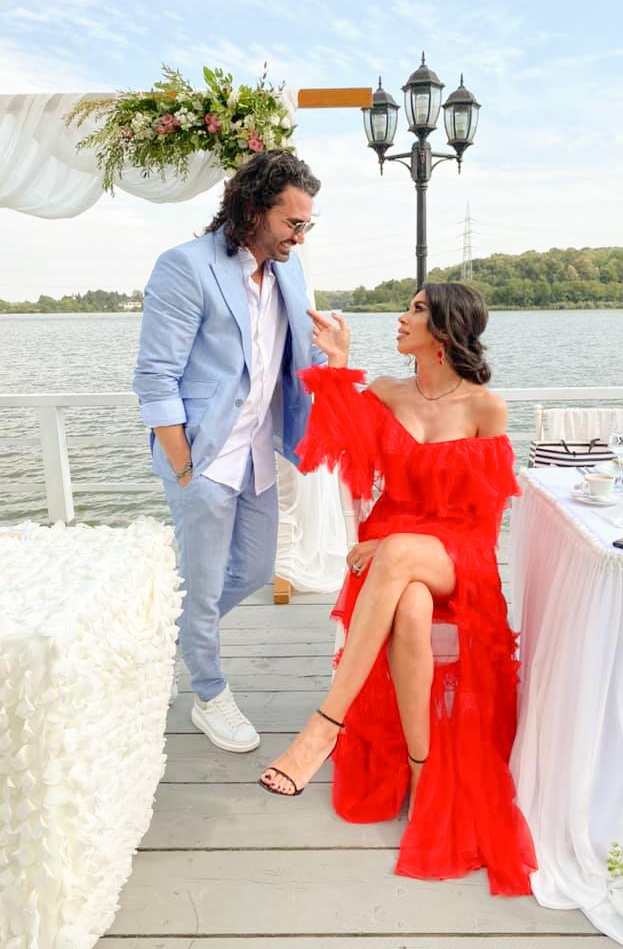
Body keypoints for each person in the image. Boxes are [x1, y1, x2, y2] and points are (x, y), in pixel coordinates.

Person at [259, 283, 536, 892]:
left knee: (401, 558)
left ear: (445, 330)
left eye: (415, 309)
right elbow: (337, 445)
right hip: (395, 553)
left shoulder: (486, 407)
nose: (401, 317)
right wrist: (337, 361)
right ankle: (422, 769)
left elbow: (485, 521)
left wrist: (393, 545)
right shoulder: (387, 391)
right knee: (409, 610)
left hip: (458, 553)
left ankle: (326, 724)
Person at [133, 150, 325, 754]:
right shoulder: (185, 267)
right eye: (292, 223)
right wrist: (184, 466)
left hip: (258, 453)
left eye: (306, 225)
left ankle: (166, 631)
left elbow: (303, 354)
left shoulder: (290, 269)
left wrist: (337, 360)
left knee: (255, 569)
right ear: (252, 210)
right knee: (205, 579)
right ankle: (209, 693)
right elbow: (155, 378)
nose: (300, 236)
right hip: (204, 456)